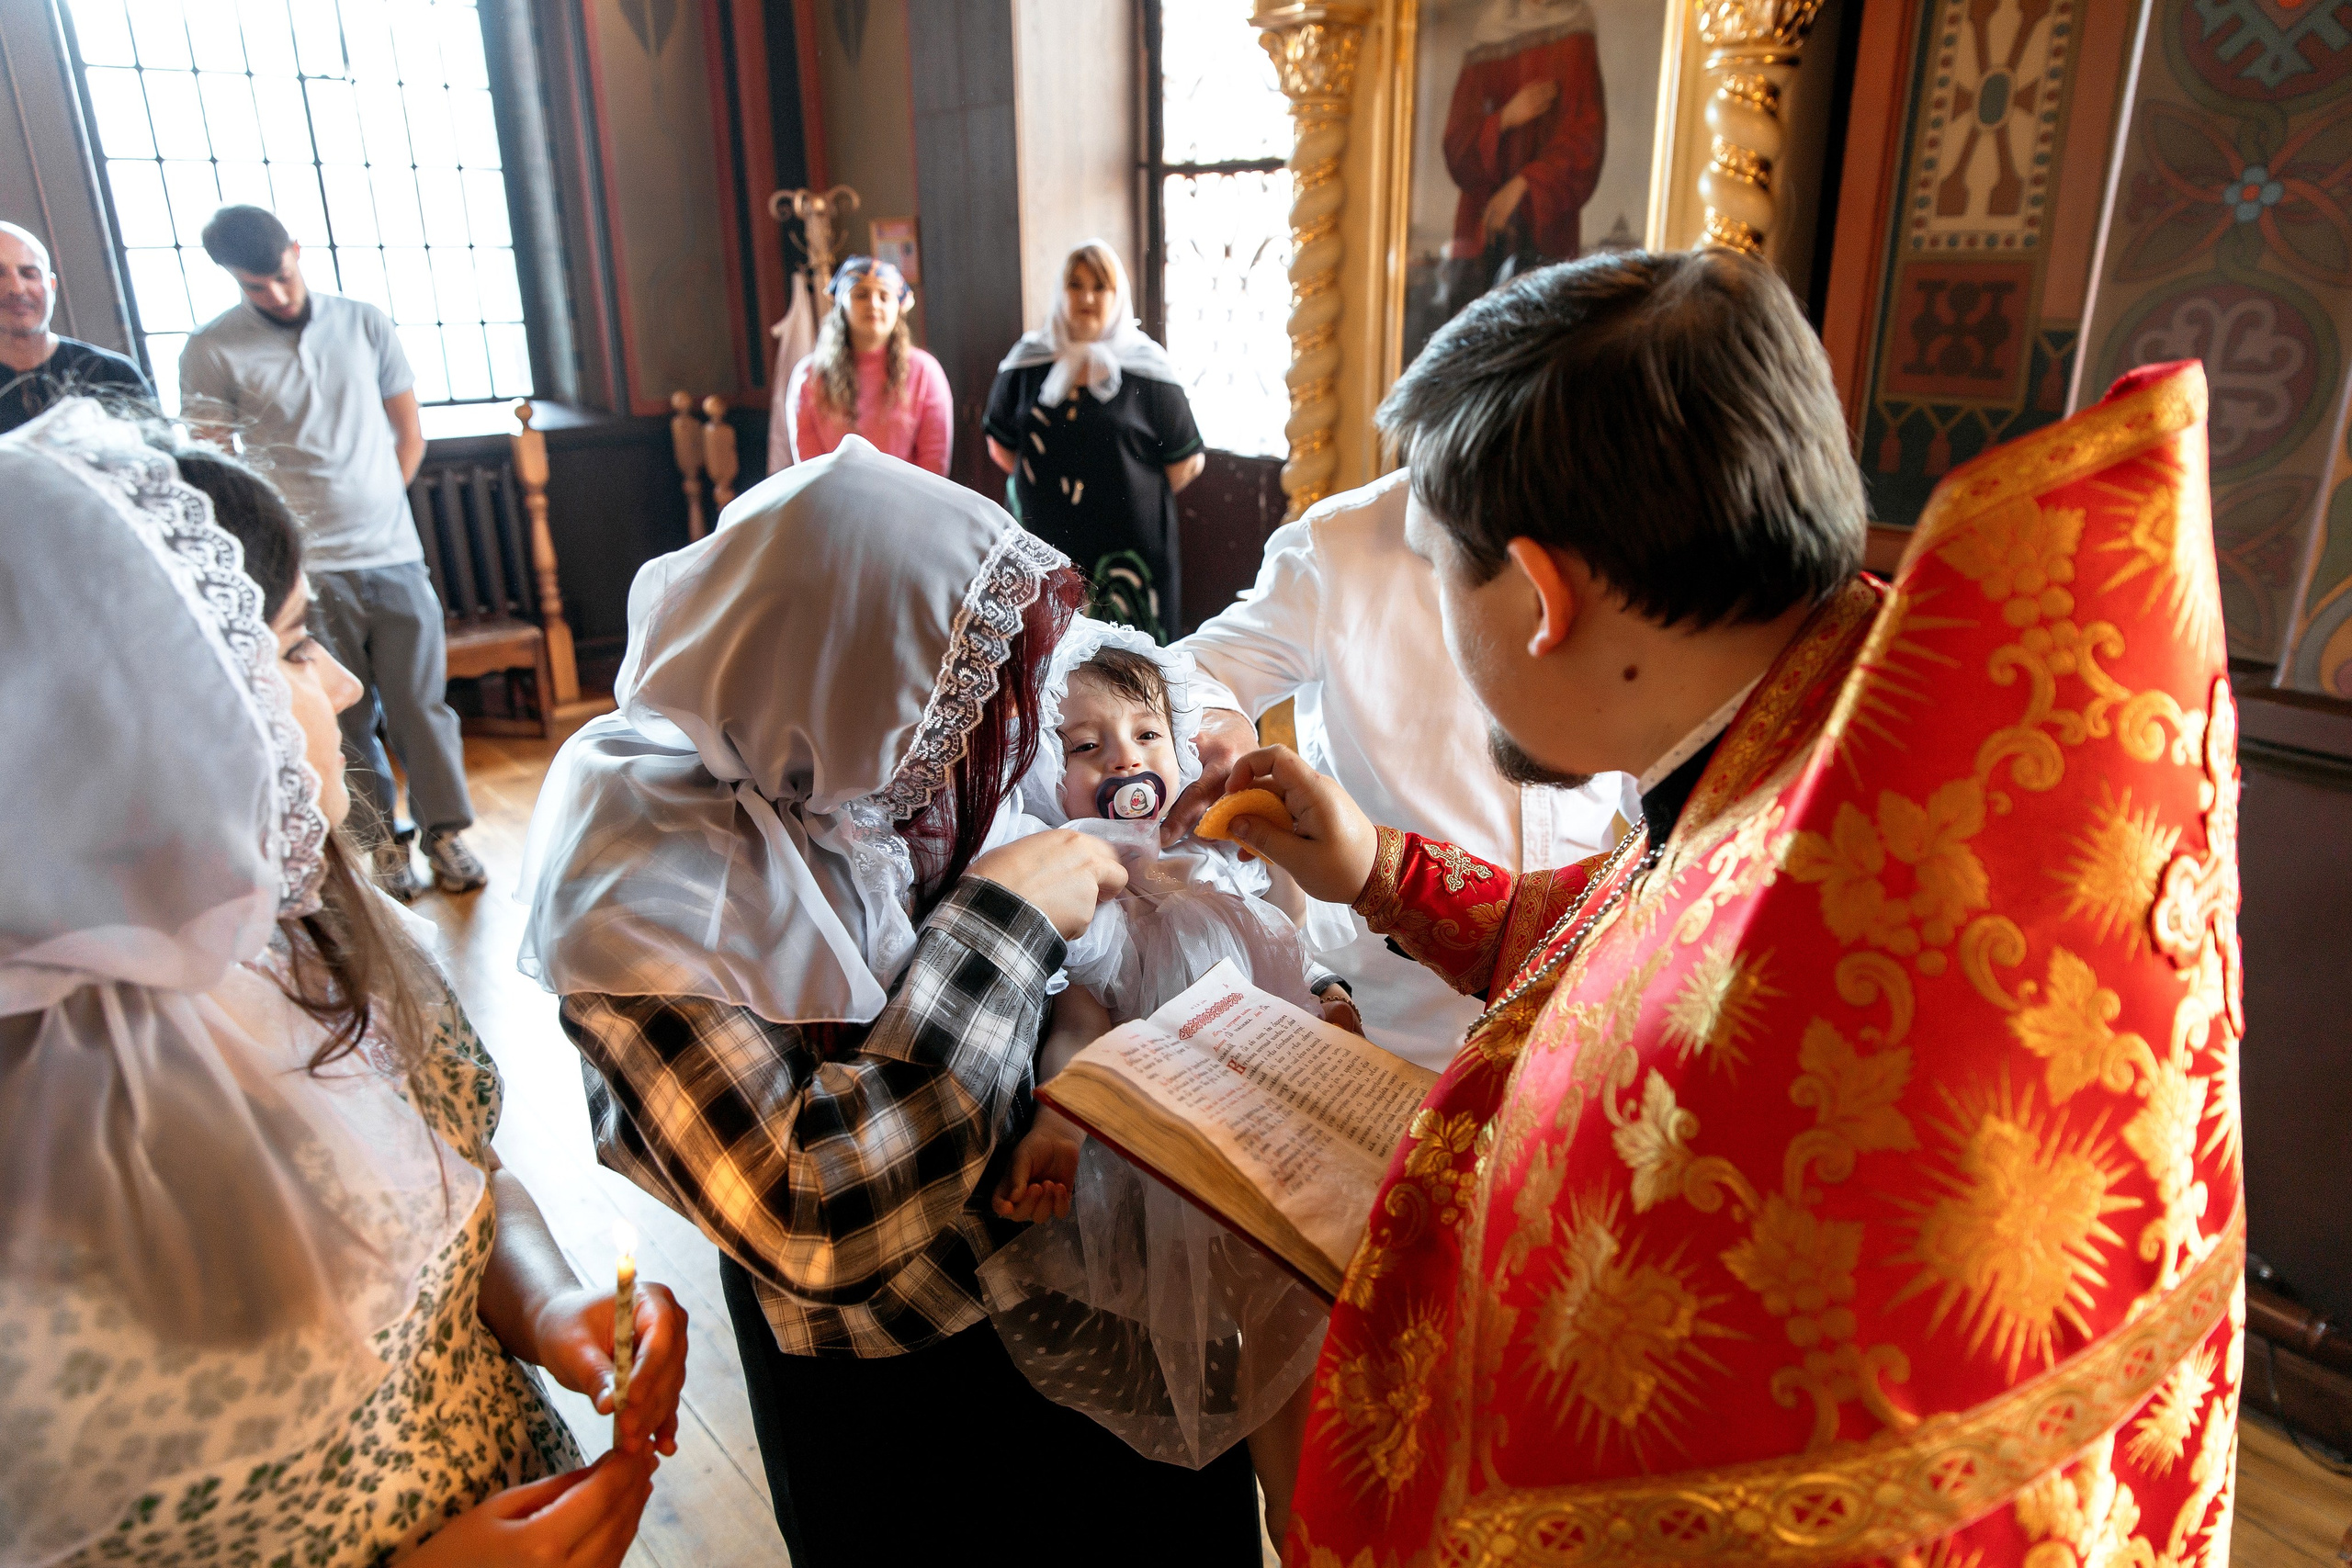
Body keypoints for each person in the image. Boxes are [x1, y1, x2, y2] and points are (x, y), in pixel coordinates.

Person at [1208, 252, 2243, 1566]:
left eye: (1437, 574)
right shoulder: (1868, 738)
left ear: (1539, 596)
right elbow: (1636, 937)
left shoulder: (1815, 955)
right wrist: (1377, 871)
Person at [516, 437, 1263, 1566]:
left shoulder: (900, 745)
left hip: (1090, 1263)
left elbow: (1124, 726)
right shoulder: (649, 877)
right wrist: (1003, 925)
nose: (1007, 743)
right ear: (874, 692)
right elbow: (816, 1215)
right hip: (902, 1377)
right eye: (974, 711)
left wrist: (1203, 757)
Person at [0, 399, 687, 1566]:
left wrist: (545, 1303)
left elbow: (459, 1184)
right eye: (294, 645)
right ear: (115, 728)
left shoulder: (306, 927)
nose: (348, 694)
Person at [977, 623, 1340, 1541]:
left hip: (1291, 1138)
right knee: (1259, 1374)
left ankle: (1339, 1523)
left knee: (1329, 1351)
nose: (1124, 760)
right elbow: (1077, 1029)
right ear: (1040, 782)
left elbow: (1289, 950)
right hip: (1195, 1176)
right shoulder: (1092, 906)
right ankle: (1292, 1529)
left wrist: (1331, 998)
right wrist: (1058, 1125)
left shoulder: (1216, 862)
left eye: (1146, 736)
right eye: (1085, 746)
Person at [1167, 470, 1637, 1071]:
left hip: (1579, 1012)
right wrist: (1222, 721)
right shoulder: (1344, 544)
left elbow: (1666, 794)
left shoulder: (1627, 536)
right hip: (1383, 1024)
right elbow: (1201, 667)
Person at [178, 203, 485, 902]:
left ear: (297, 249)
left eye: (282, 276)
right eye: (256, 287)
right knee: (344, 717)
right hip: (305, 574)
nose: (277, 296)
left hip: (393, 553)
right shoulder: (211, 349)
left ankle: (446, 833)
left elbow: (408, 433)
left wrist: (379, 504)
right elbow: (212, 463)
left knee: (422, 707)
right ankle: (382, 846)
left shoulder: (365, 322)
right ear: (233, 279)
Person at [986, 241, 1205, 641]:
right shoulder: (1026, 363)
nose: (1087, 297)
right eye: (1075, 285)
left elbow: (1186, 461)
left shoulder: (1149, 369)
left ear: (1117, 295)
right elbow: (1001, 447)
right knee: (1039, 667)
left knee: (1128, 672)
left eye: (1100, 287)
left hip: (1128, 555)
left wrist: (1125, 493)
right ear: (1059, 292)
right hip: (1038, 545)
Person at [1438, 0, 1604, 318]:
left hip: (1546, 225)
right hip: (1480, 229)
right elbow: (1457, 149)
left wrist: (1523, 185)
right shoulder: (1487, 35)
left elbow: (1586, 140)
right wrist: (1505, 119)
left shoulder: (1576, 27)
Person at [784, 255, 952, 474]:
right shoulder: (809, 376)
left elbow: (934, 466)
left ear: (899, 307)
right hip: (834, 504)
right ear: (841, 304)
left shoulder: (926, 372)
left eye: (884, 296)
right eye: (861, 295)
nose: (873, 304)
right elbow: (810, 468)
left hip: (907, 504)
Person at [0, 221, 151, 432]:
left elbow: (159, 458)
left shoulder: (111, 373)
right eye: (0, 274)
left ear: (52, 286)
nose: (16, 289)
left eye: (29, 274)